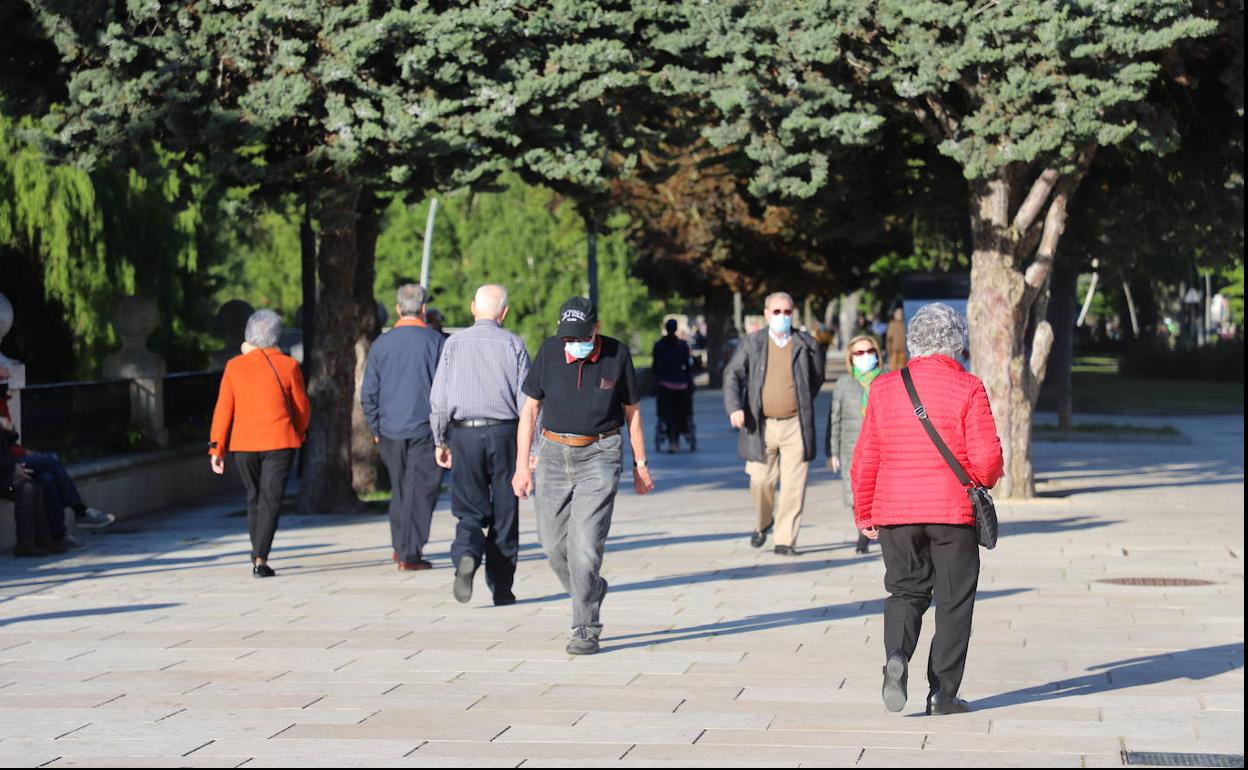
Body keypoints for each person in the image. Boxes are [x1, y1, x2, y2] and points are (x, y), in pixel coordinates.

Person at [851, 303, 1003, 716]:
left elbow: (866, 457)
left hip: (896, 512)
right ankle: (943, 694)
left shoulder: (882, 388)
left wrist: (865, 512)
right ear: (958, 343)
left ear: (914, 341)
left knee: (905, 590)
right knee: (954, 599)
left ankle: (897, 655)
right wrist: (981, 480)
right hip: (952, 512)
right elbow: (986, 459)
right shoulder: (969, 387)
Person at [512, 297, 655, 655]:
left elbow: (633, 413)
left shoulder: (617, 355)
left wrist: (641, 464)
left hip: (600, 454)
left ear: (597, 327)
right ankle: (590, 588)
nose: (573, 344)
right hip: (553, 455)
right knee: (552, 545)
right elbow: (530, 410)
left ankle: (585, 628)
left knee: (586, 548)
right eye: (567, 337)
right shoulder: (548, 352)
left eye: (580, 336)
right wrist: (521, 464)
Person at [429, 284, 530, 606]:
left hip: (465, 434)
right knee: (505, 513)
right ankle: (502, 587)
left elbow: (440, 398)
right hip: (505, 434)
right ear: (504, 313)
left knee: (469, 509)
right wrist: (532, 451)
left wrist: (441, 439)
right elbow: (527, 401)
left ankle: (467, 554)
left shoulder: (453, 344)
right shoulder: (514, 344)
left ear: (474, 308)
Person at [209, 309, 311, 578]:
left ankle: (257, 552)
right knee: (270, 500)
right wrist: (301, 432)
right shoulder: (288, 366)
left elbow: (223, 409)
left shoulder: (234, 366)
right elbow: (302, 407)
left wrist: (216, 448)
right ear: (277, 335)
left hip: (243, 443)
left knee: (254, 497)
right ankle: (260, 557)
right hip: (280, 441)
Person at [724, 292, 826, 555]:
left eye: (787, 312)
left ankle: (785, 540)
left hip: (795, 424)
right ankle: (762, 522)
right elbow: (733, 374)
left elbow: (815, 379)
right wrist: (735, 407)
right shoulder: (753, 343)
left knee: (794, 486)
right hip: (761, 425)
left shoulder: (806, 344)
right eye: (777, 312)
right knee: (760, 482)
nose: (782, 316)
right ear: (767, 314)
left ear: (794, 314)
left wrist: (799, 401)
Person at [362, 284, 446, 572]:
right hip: (425, 429)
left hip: (389, 430)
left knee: (400, 490)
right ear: (423, 309)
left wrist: (375, 426)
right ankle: (410, 552)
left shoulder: (381, 344)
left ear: (398, 309)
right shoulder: (436, 343)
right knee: (420, 491)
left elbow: (369, 392)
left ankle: (400, 547)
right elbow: (446, 391)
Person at [0, 368, 113, 536]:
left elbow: (8, 442)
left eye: (7, 377)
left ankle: (58, 535)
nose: (7, 381)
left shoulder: (3, 402)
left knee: (47, 479)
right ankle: (79, 510)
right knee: (49, 462)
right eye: (2, 378)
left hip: (10, 462)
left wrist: (25, 452)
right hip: (6, 471)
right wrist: (12, 467)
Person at [826, 334, 883, 555]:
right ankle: (863, 530)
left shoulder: (887, 379)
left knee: (879, 491)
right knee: (856, 493)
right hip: (851, 446)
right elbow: (835, 419)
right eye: (859, 353)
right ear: (850, 358)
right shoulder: (843, 384)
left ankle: (877, 528)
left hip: (879, 447)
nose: (865, 356)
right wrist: (832, 452)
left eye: (870, 351)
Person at [651, 319, 694, 452]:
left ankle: (672, 439)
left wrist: (656, 381)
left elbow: (655, 367)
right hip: (680, 384)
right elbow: (687, 366)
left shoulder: (659, 346)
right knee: (682, 411)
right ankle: (682, 431)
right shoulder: (682, 345)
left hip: (664, 383)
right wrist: (689, 382)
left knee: (667, 412)